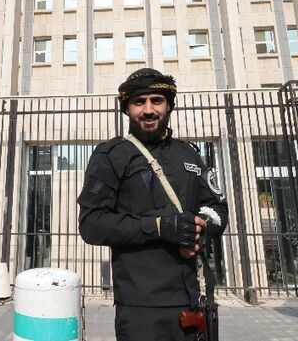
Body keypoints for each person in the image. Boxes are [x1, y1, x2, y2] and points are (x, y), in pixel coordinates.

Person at [78, 68, 229, 341]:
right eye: (139, 102)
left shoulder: (190, 153)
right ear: (126, 109)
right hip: (143, 308)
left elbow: (218, 208)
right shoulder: (111, 155)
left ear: (169, 105)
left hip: (198, 299)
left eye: (156, 100)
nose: (148, 110)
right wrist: (159, 227)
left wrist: (201, 227)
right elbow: (91, 225)